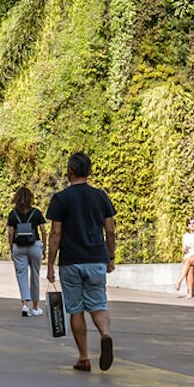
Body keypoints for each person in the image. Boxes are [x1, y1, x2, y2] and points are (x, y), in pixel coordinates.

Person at [45, 151, 118, 373]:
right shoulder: (100, 196)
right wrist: (110, 256)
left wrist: (50, 264)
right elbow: (110, 230)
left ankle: (84, 357)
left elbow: (56, 234)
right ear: (89, 171)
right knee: (98, 305)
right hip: (96, 259)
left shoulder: (61, 199)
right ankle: (105, 334)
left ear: (70, 171)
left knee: (76, 310)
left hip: (71, 262)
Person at [6, 187, 46, 317]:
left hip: (19, 246)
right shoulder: (36, 212)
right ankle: (35, 307)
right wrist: (44, 247)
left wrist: (11, 247)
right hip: (34, 245)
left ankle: (25, 305)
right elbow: (43, 231)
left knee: (21, 275)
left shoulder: (13, 214)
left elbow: (11, 232)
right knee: (35, 275)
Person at [176, 218, 194, 297]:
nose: (191, 224)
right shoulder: (185, 236)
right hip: (188, 255)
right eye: (190, 223)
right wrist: (184, 249)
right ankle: (190, 293)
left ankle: (179, 281)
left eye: (193, 223)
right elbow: (183, 248)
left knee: (188, 261)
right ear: (187, 226)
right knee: (190, 269)